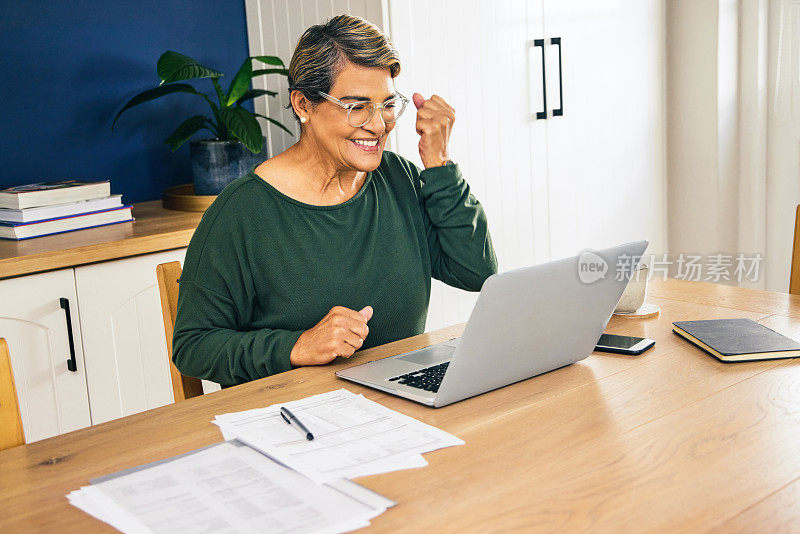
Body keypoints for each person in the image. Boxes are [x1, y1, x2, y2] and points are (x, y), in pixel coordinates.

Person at [172, 14, 497, 386]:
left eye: (388, 104)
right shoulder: (242, 213)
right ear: (303, 105)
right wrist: (297, 346)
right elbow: (192, 347)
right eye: (357, 106)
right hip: (297, 421)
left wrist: (439, 163)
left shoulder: (399, 178)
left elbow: (476, 271)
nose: (378, 125)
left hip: (400, 404)